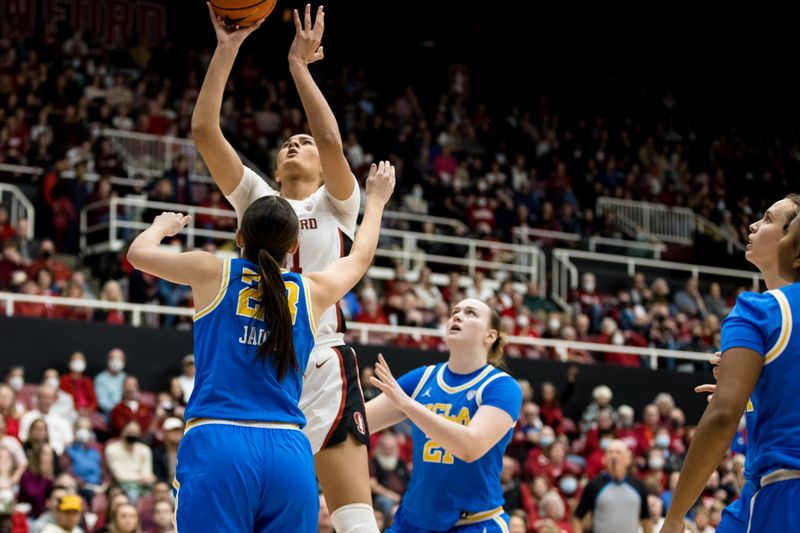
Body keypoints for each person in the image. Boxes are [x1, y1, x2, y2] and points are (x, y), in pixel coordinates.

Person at [125, 158, 394, 531]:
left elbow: (138, 255)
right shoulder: (311, 290)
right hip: (288, 451)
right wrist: (377, 200)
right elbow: (360, 256)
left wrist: (161, 226)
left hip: (219, 442)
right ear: (295, 244)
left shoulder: (212, 271)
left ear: (240, 237)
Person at [192, 5, 381, 531]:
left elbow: (332, 140)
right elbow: (206, 131)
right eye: (286, 143)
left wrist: (300, 68)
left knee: (355, 521)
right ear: (273, 167)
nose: (297, 143)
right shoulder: (255, 200)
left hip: (321, 361)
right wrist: (227, 48)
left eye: (305, 143)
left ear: (323, 167)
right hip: (259, 359)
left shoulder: (338, 204)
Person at [662, 206, 800, 532]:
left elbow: (723, 414)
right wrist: (754, 387)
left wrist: (676, 516)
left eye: (769, 220)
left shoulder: (759, 310)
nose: (753, 225)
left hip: (784, 493)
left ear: (792, 246)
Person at [365, 298, 523, 532]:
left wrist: (408, 405)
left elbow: (470, 446)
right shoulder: (423, 378)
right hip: (411, 522)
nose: (457, 316)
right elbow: (359, 423)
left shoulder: (501, 386)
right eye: (455, 312)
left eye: (470, 313)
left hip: (474, 523)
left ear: (490, 336)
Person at [572, 439, 652, 533]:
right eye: (610, 452)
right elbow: (577, 518)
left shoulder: (638, 486)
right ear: (604, 459)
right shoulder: (594, 485)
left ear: (628, 459)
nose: (614, 456)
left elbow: (646, 520)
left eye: (618, 453)